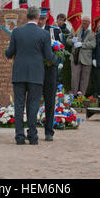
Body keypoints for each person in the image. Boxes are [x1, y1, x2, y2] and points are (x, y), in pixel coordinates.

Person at [5, 6, 57, 145]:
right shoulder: (44, 34)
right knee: (33, 105)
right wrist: (56, 58)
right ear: (38, 16)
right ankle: (33, 136)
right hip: (36, 73)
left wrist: (7, 50)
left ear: (26, 16)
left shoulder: (16, 32)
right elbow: (48, 55)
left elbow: (9, 53)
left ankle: (20, 137)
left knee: (19, 105)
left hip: (19, 73)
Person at [38, 8, 61, 140]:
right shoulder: (32, 31)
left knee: (50, 101)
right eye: (39, 18)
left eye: (43, 18)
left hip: (50, 70)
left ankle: (49, 131)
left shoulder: (54, 30)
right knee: (34, 101)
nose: (40, 21)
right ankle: (32, 129)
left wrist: (56, 60)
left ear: (46, 18)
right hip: (36, 70)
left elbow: (60, 48)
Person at [67, 16, 96, 95]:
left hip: (86, 59)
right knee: (74, 78)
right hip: (75, 58)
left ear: (89, 23)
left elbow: (93, 44)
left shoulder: (92, 32)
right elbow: (68, 41)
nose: (84, 23)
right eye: (83, 21)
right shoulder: (74, 30)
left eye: (86, 22)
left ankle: (81, 96)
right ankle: (74, 95)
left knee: (85, 79)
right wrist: (72, 41)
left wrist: (82, 44)